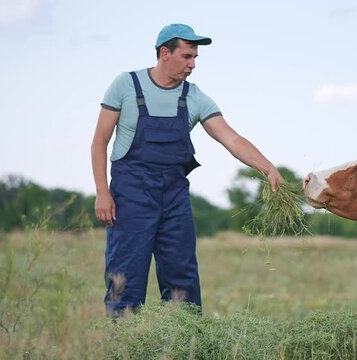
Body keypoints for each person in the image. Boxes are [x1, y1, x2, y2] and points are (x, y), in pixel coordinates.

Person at [91, 23, 284, 316]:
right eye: (186, 56)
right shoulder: (126, 85)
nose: (192, 64)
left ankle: (184, 348)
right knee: (125, 280)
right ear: (164, 53)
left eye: (195, 57)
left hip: (174, 199)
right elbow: (99, 142)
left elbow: (230, 138)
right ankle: (123, 347)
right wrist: (102, 193)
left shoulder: (193, 97)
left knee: (182, 282)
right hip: (130, 197)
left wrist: (267, 167)